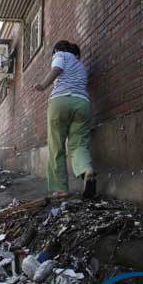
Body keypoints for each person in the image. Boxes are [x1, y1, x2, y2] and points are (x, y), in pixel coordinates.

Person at [34, 40, 96, 199]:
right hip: (82, 104)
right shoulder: (81, 66)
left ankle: (61, 189)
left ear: (56, 50)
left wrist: (43, 85)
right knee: (78, 143)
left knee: (56, 146)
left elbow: (57, 68)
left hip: (60, 102)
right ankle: (86, 169)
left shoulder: (60, 55)